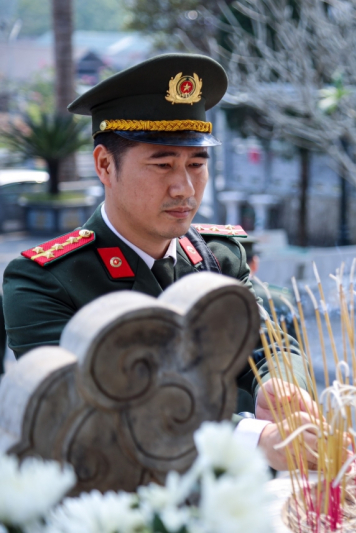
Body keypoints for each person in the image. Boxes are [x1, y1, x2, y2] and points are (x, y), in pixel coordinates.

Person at [2, 54, 316, 470]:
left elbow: (271, 345)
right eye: (162, 164)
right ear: (104, 165)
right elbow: (94, 410)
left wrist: (281, 386)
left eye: (196, 164)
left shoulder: (219, 257)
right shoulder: (46, 279)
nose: (184, 187)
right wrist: (252, 436)